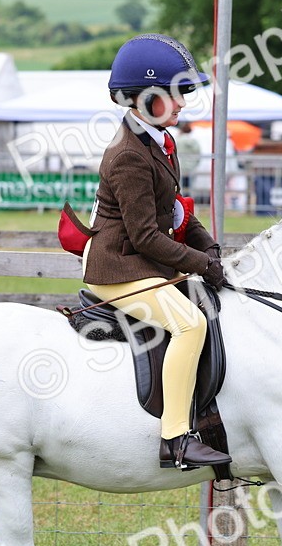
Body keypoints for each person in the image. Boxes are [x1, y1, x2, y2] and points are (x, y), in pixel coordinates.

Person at [82, 33, 231, 470]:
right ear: (147, 98)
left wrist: (213, 252)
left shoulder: (159, 143)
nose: (184, 103)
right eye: (176, 93)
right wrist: (203, 266)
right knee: (189, 325)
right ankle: (175, 441)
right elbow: (147, 236)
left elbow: (178, 212)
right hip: (118, 268)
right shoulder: (128, 154)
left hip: (142, 262)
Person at [173, 120, 201, 192]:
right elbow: (198, 152)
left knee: (180, 187)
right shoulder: (193, 140)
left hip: (180, 166)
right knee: (189, 187)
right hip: (191, 167)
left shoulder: (177, 139)